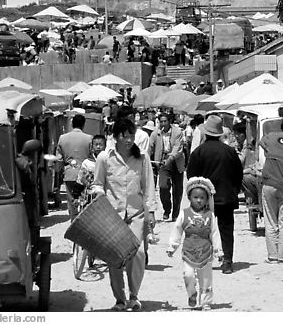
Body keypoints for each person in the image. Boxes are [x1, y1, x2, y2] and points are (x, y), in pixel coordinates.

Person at [91, 118, 157, 311]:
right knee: (115, 258)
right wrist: (100, 194)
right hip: (112, 216)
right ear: (116, 137)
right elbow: (97, 183)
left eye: (131, 136)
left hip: (136, 215)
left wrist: (151, 211)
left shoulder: (142, 158)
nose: (128, 140)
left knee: (138, 253)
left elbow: (149, 187)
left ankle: (134, 295)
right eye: (124, 136)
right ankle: (119, 299)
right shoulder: (104, 157)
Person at [187, 115, 243, 274]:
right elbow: (238, 174)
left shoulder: (198, 152)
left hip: (204, 199)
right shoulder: (230, 151)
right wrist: (235, 189)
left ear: (206, 133)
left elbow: (191, 176)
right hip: (226, 197)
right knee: (226, 230)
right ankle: (227, 261)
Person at [167, 177, 223, 311]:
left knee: (206, 279)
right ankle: (192, 293)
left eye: (202, 197)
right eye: (195, 197)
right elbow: (177, 230)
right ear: (189, 198)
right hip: (188, 252)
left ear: (207, 199)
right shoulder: (184, 214)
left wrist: (218, 251)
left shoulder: (210, 216)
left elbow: (215, 234)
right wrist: (172, 246)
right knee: (188, 275)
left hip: (206, 252)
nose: (199, 200)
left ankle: (206, 302)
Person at [258, 111, 283, 264]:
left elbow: (261, 142)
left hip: (268, 184)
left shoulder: (272, 137)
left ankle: (272, 256)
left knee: (270, 221)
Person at [149, 113, 186, 222]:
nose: (163, 124)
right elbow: (150, 147)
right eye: (161, 122)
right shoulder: (155, 134)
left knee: (177, 189)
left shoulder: (177, 132)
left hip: (176, 161)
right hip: (161, 162)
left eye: (165, 121)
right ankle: (167, 208)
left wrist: (169, 159)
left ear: (169, 121)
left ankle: (176, 213)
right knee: (163, 186)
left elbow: (177, 147)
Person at [56, 114, 92, 218]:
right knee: (85, 199)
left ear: (72, 124)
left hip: (69, 173)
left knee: (72, 200)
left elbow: (59, 158)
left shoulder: (62, 138)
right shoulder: (89, 138)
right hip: (85, 173)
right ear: (84, 125)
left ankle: (73, 220)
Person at [232, 122, 260, 210]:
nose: (236, 136)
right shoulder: (243, 143)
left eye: (237, 134)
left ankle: (252, 201)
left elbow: (241, 160)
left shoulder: (246, 144)